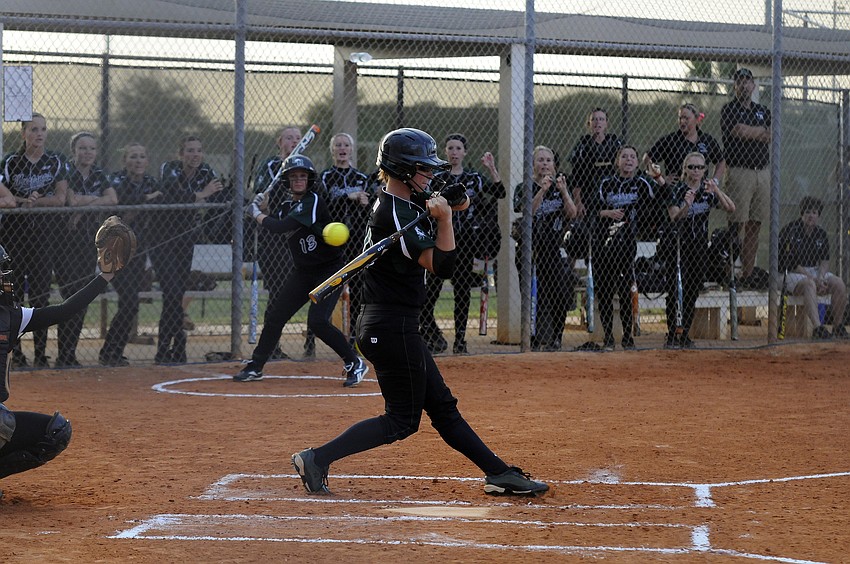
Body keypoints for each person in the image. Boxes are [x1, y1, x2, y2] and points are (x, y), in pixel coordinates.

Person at [290, 127, 548, 497]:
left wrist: (445, 206)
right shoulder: (394, 214)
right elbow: (441, 265)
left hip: (393, 324)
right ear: (404, 170)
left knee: (442, 407)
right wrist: (445, 220)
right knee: (401, 421)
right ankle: (316, 458)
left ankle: (499, 472)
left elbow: (437, 208)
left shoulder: (400, 206)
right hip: (390, 327)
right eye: (424, 169)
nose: (430, 175)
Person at [0, 227, 129, 494]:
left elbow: (63, 311)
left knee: (55, 432)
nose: (6, 279)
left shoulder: (10, 316)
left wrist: (105, 276)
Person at [234, 154, 368, 387]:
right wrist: (261, 206)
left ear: (309, 180)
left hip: (330, 269)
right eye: (294, 176)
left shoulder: (312, 201)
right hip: (304, 271)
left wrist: (255, 213)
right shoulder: (287, 205)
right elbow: (271, 221)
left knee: (317, 321)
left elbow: (279, 227)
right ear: (286, 181)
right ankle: (256, 366)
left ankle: (354, 362)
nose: (298, 180)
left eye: (303, 176)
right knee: (276, 316)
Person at [420, 133, 506, 354]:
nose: (454, 152)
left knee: (462, 291)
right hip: (440, 237)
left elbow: (499, 192)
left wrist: (492, 169)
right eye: (450, 148)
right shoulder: (438, 177)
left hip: (466, 240)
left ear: (465, 152)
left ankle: (460, 341)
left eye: (458, 148)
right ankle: (433, 335)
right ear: (445, 152)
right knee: (430, 293)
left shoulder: (473, 177)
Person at [0, 113, 69, 368]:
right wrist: (22, 201)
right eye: (33, 129)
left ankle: (41, 353)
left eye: (43, 129)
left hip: (43, 237)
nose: (39, 134)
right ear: (23, 134)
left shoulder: (55, 161)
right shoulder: (11, 162)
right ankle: (15, 354)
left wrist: (35, 202)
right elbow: (5, 198)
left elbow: (61, 199)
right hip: (13, 237)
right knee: (13, 298)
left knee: (40, 296)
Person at [152, 136, 223, 364]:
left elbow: (220, 194)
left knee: (176, 294)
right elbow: (172, 193)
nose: (195, 154)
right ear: (180, 153)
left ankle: (169, 348)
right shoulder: (169, 168)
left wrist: (199, 198)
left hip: (186, 240)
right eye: (190, 150)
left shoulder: (205, 171)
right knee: (171, 291)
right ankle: (175, 341)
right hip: (162, 238)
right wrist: (201, 195)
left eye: (199, 150)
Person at [590, 145, 664, 351]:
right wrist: (608, 213)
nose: (629, 160)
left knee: (624, 290)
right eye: (624, 156)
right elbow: (592, 209)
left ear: (637, 162)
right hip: (604, 243)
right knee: (604, 291)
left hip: (627, 244)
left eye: (632, 156)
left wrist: (659, 179)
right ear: (617, 161)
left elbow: (661, 201)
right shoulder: (606, 183)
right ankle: (607, 336)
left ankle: (627, 336)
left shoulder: (642, 183)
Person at [55, 132, 117, 368]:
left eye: (91, 148)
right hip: (64, 242)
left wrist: (85, 202)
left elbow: (112, 199)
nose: (87, 153)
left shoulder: (99, 173)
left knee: (82, 298)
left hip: (89, 242)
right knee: (68, 296)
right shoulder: (65, 171)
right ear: (74, 151)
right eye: (82, 148)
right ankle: (62, 353)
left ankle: (69, 354)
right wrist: (93, 200)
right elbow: (70, 200)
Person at [99, 143, 163, 366]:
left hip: (139, 249)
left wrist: (147, 200)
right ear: (124, 160)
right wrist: (145, 200)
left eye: (142, 157)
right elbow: (121, 215)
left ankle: (113, 351)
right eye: (133, 157)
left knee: (131, 303)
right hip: (115, 247)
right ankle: (109, 352)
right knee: (128, 300)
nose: (138, 161)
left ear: (147, 161)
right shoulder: (116, 181)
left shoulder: (150, 182)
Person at [663, 152, 735, 349]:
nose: (696, 171)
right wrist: (687, 204)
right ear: (685, 168)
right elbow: (675, 217)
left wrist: (716, 190)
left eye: (700, 167)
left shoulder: (706, 190)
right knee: (676, 291)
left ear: (705, 170)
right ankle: (671, 334)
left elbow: (731, 208)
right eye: (692, 167)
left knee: (692, 291)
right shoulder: (676, 190)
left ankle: (684, 333)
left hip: (699, 248)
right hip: (679, 248)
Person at [253, 126, 312, 359]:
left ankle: (274, 346)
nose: (294, 141)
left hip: (297, 238)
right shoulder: (270, 166)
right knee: (278, 293)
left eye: (298, 138)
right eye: (289, 138)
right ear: (280, 142)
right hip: (273, 238)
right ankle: (270, 347)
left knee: (291, 293)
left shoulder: (303, 168)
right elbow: (263, 200)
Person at [513, 145, 577, 351]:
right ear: (533, 164)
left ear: (554, 165)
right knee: (531, 295)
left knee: (558, 293)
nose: (545, 164)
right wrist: (542, 190)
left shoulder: (561, 187)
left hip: (553, 248)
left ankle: (556, 337)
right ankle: (530, 337)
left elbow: (572, 213)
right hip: (530, 249)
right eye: (540, 160)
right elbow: (527, 212)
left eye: (548, 160)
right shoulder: (524, 187)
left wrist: (564, 192)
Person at [320, 132, 373, 342]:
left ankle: (354, 334)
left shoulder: (361, 178)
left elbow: (368, 210)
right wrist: (346, 196)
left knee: (358, 285)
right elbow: (323, 206)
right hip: (332, 240)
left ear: (351, 150)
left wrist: (363, 201)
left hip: (356, 238)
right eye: (338, 145)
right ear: (332, 150)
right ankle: (315, 336)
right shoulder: (325, 176)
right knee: (329, 285)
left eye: (346, 145)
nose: (342, 149)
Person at [721, 68, 771, 287]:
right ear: (735, 86)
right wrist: (759, 132)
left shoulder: (763, 110)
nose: (744, 85)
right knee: (737, 224)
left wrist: (753, 132)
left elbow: (771, 135)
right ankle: (731, 273)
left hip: (762, 171)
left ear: (754, 85)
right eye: (739, 81)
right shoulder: (729, 109)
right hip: (739, 170)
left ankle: (748, 275)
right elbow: (738, 131)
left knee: (755, 224)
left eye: (747, 81)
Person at [779, 196, 848, 340]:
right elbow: (791, 264)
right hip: (790, 273)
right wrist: (814, 280)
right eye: (808, 212)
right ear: (802, 214)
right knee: (809, 285)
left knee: (838, 283)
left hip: (814, 272)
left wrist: (821, 278)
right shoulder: (790, 231)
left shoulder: (821, 234)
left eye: (815, 212)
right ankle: (818, 328)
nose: (811, 216)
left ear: (818, 216)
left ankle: (838, 326)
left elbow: (824, 261)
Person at [643, 102, 726, 188]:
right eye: (680, 118)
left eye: (686, 118)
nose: (682, 121)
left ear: (697, 119)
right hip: (675, 190)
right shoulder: (670, 140)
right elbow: (647, 158)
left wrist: (714, 181)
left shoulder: (707, 140)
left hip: (700, 190)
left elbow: (721, 161)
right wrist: (661, 178)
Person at [568, 107, 622, 219]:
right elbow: (576, 177)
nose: (598, 122)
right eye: (594, 119)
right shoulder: (583, 144)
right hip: (589, 193)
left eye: (601, 119)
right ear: (589, 124)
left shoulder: (614, 142)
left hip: (612, 191)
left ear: (606, 123)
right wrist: (578, 202)